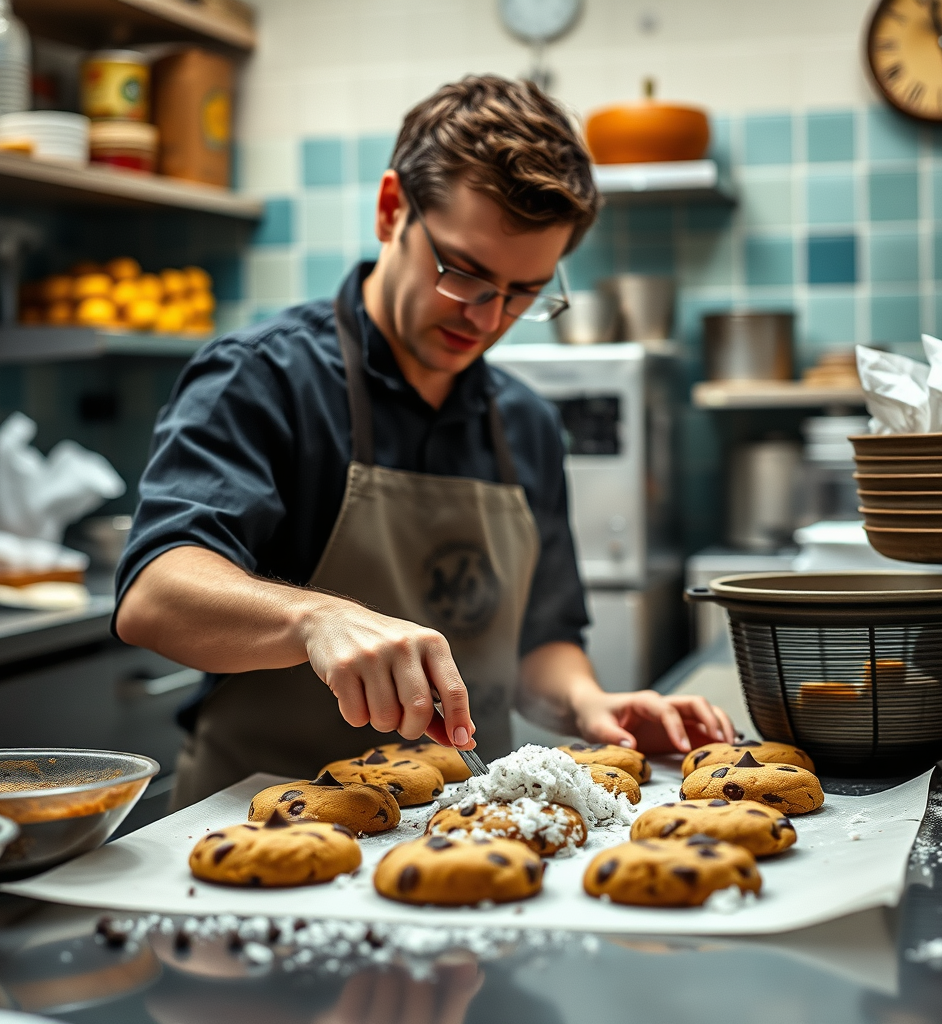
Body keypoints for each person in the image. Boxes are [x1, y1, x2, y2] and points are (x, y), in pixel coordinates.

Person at [114, 74, 734, 809]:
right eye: (464, 273)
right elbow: (154, 594)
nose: (487, 317)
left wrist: (587, 704)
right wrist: (317, 618)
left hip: (469, 831)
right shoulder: (262, 379)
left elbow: (543, 642)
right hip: (264, 828)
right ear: (390, 210)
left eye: (524, 293)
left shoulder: (525, 422)